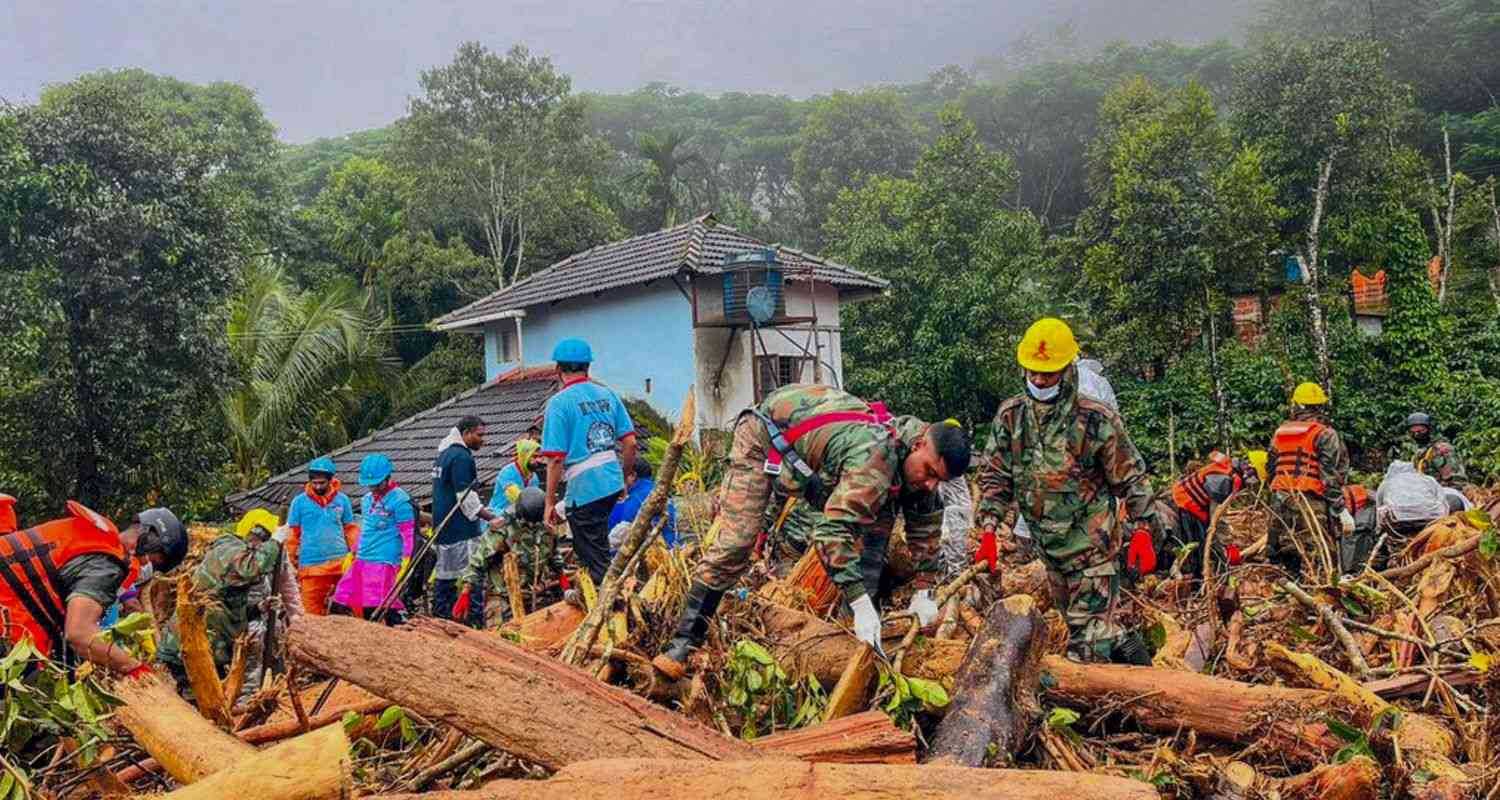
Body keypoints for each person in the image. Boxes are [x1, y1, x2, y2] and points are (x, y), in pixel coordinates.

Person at [652, 383, 970, 679]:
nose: (930, 484)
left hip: (816, 452)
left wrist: (924, 591)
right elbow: (830, 533)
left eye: (939, 480)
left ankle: (853, 643)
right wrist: (861, 604)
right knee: (739, 540)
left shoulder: (918, 467)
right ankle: (683, 642)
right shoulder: (874, 460)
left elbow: (925, 527)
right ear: (918, 444)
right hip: (765, 435)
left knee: (873, 544)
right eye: (929, 472)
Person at [974, 318, 1160, 664]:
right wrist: (988, 528)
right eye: (1033, 373)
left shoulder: (1095, 419)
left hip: (1092, 548)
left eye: (1049, 374)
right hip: (1051, 551)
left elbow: (1131, 476)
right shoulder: (1011, 417)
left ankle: (1111, 705)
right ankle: (1126, 645)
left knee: (1086, 650)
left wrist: (1145, 529)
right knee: (1083, 629)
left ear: (1068, 368)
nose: (1040, 381)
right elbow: (995, 476)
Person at [1, 503, 187, 676]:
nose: (146, 563)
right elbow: (79, 634)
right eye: (153, 558)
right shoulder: (107, 564)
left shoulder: (91, 536)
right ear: (150, 537)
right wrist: (133, 668)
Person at [157, 509, 300, 695]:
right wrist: (274, 543)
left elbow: (228, 606)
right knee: (197, 701)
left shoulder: (238, 554)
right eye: (264, 540)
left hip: (210, 645)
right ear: (254, 534)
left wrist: (258, 608)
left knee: (209, 697)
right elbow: (250, 568)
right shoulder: (228, 551)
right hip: (189, 648)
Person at [539, 339, 637, 585]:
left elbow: (555, 460)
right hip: (611, 482)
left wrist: (549, 502)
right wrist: (624, 478)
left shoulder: (559, 404)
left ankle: (609, 605)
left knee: (594, 560)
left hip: (585, 490)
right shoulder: (608, 394)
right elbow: (631, 443)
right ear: (588, 368)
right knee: (599, 546)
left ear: (558, 370)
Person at [1266, 382, 1351, 577]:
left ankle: (1287, 592)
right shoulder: (1326, 434)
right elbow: (1329, 475)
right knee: (1322, 553)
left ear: (1296, 405)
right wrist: (1340, 508)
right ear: (1320, 406)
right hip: (1310, 501)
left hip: (1281, 499)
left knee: (1283, 551)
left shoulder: (1280, 432)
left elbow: (1271, 467)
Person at [451, 487, 561, 623]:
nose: (532, 525)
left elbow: (555, 558)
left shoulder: (546, 531)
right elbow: (478, 562)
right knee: (499, 633)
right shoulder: (503, 529)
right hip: (502, 595)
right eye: (529, 522)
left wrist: (564, 582)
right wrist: (465, 592)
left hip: (536, 594)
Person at [432, 416, 500, 628]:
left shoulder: (443, 455)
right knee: (471, 581)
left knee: (445, 580)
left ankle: (441, 621)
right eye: (479, 435)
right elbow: (466, 497)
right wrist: (492, 518)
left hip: (445, 530)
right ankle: (474, 628)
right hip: (461, 532)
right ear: (466, 433)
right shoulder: (462, 458)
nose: (483, 440)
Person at [331, 454, 416, 623]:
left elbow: (408, 533)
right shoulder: (366, 500)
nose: (374, 488)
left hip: (384, 561)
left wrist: (407, 559)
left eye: (377, 484)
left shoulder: (400, 501)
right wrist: (353, 551)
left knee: (380, 604)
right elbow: (366, 528)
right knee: (343, 599)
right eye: (370, 485)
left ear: (387, 478)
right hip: (363, 558)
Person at [1160, 451, 1264, 575]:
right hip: (1186, 504)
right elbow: (1216, 519)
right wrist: (1226, 545)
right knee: (1197, 546)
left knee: (1204, 542)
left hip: (1191, 504)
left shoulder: (1228, 472)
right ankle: (1196, 579)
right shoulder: (1224, 481)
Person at [284, 457, 358, 616]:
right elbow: (292, 536)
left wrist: (356, 552)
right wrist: (290, 563)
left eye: (322, 483)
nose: (318, 486)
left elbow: (350, 529)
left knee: (349, 611)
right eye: (314, 483)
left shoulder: (342, 500)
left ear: (331, 480)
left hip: (341, 564)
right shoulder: (299, 502)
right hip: (311, 567)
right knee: (311, 616)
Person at [608, 458, 678, 554]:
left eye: (622, 475)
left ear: (632, 475)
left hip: (654, 554)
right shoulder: (659, 492)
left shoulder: (635, 499)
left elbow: (619, 536)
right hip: (673, 548)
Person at [1388, 412, 1467, 490]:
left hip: (1439, 491)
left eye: (1421, 430)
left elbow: (1457, 480)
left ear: (1429, 429)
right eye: (1413, 431)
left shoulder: (1441, 449)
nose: (1417, 434)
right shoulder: (1412, 450)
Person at [487, 439, 542, 520]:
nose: (538, 460)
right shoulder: (507, 472)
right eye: (534, 456)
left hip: (519, 518)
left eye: (540, 456)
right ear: (525, 455)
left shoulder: (534, 478)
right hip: (498, 516)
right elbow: (516, 497)